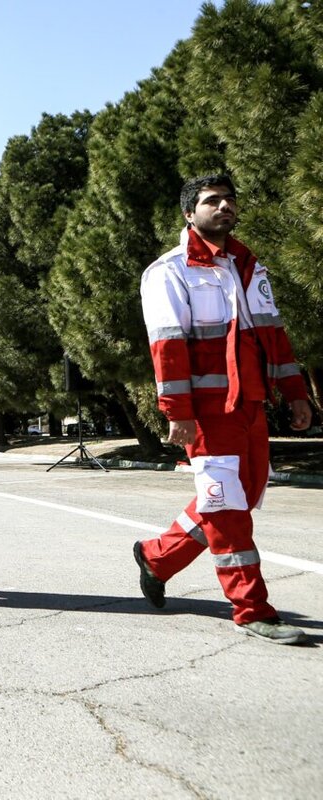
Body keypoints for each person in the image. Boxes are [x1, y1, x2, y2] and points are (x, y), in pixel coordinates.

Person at [135, 174, 314, 645]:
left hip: (251, 403)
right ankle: (252, 608)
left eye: (229, 200)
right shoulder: (169, 271)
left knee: (240, 493)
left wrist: (296, 392)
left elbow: (273, 334)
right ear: (189, 214)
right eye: (211, 200)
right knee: (228, 506)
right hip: (207, 411)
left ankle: (156, 557)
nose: (224, 206)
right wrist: (178, 411)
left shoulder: (248, 266)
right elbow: (167, 347)